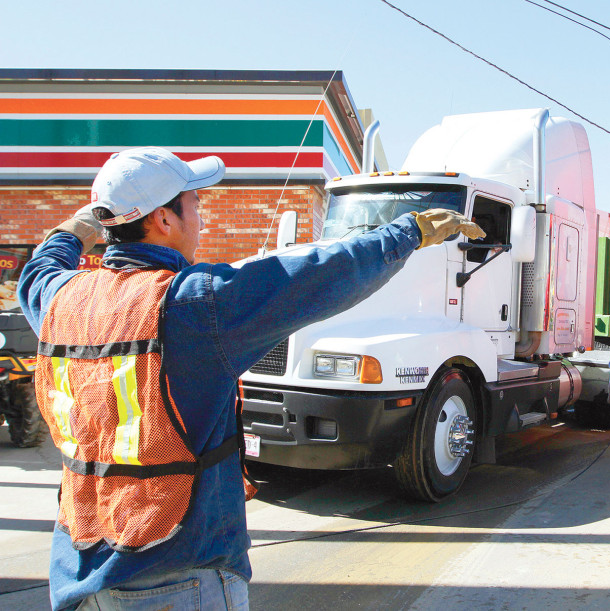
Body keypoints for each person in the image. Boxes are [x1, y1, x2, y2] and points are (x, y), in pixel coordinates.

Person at [17, 147, 483, 611]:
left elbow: (38, 269)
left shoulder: (57, 298)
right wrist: (409, 232)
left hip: (78, 574)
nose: (202, 219)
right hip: (176, 576)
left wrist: (81, 226)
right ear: (163, 219)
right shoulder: (192, 306)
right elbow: (318, 273)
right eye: (195, 204)